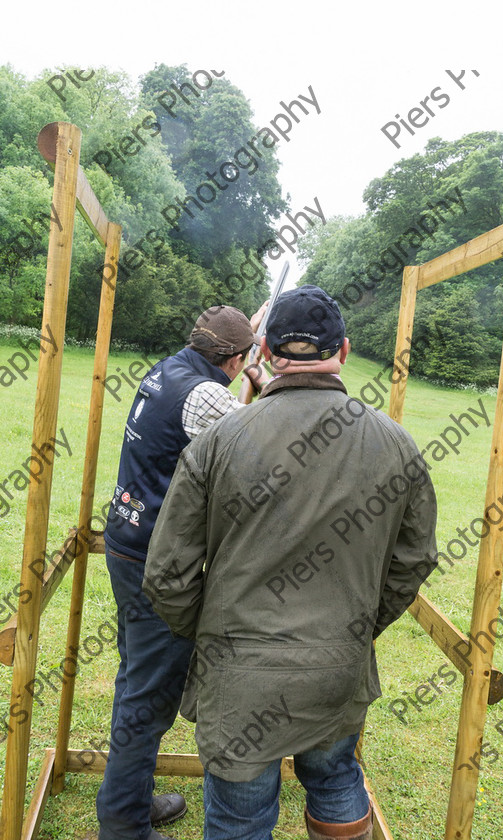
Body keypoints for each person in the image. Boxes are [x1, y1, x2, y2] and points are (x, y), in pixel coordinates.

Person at [144, 285, 438, 840]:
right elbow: (413, 561)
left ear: (266, 352)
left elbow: (166, 576)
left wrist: (212, 631)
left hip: (239, 679)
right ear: (345, 351)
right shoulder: (397, 445)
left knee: (240, 818)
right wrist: (357, 626)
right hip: (337, 669)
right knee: (334, 779)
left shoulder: (217, 441)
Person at [96, 303, 269, 840]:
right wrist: (261, 382)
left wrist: (246, 351)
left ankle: (130, 799)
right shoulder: (209, 394)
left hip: (126, 541)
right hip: (157, 562)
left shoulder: (168, 368)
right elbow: (255, 449)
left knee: (135, 682)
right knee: (148, 700)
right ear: (237, 359)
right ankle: (123, 825)